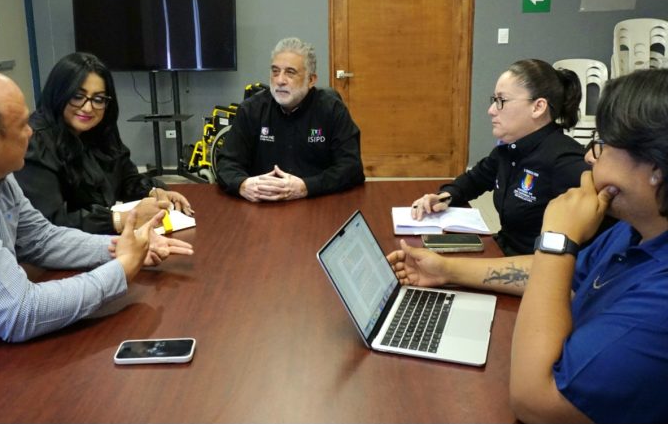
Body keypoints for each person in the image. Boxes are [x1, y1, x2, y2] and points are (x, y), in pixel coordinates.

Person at [387, 69, 668, 423]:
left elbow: (533, 401)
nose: (590, 157)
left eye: (603, 144)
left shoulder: (660, 299)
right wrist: (445, 269)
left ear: (656, 167)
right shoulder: (633, 232)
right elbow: (561, 275)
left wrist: (557, 239)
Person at [0, 70, 193, 392]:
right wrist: (121, 271)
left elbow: (39, 238)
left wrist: (121, 247)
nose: (32, 132)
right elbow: (18, 313)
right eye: (22, 126)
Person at [411, 59, 587, 255]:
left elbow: (585, 246)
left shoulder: (566, 162)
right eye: (494, 100)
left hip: (530, 265)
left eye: (501, 101)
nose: (491, 110)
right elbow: (476, 179)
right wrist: (446, 196)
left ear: (538, 107)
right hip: (502, 250)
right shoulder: (510, 148)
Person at [14, 52, 193, 235]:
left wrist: (154, 192)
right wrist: (120, 220)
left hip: (102, 239)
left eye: (98, 99)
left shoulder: (100, 128)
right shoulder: (35, 141)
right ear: (59, 94)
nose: (88, 108)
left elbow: (126, 178)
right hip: (62, 247)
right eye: (77, 96)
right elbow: (48, 223)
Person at [216, 37, 364, 201]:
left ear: (311, 80)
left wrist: (307, 187)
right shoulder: (251, 110)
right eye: (275, 71)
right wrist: (242, 185)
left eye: (290, 72)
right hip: (262, 203)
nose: (280, 80)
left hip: (317, 201)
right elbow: (226, 163)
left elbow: (351, 168)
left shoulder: (332, 110)